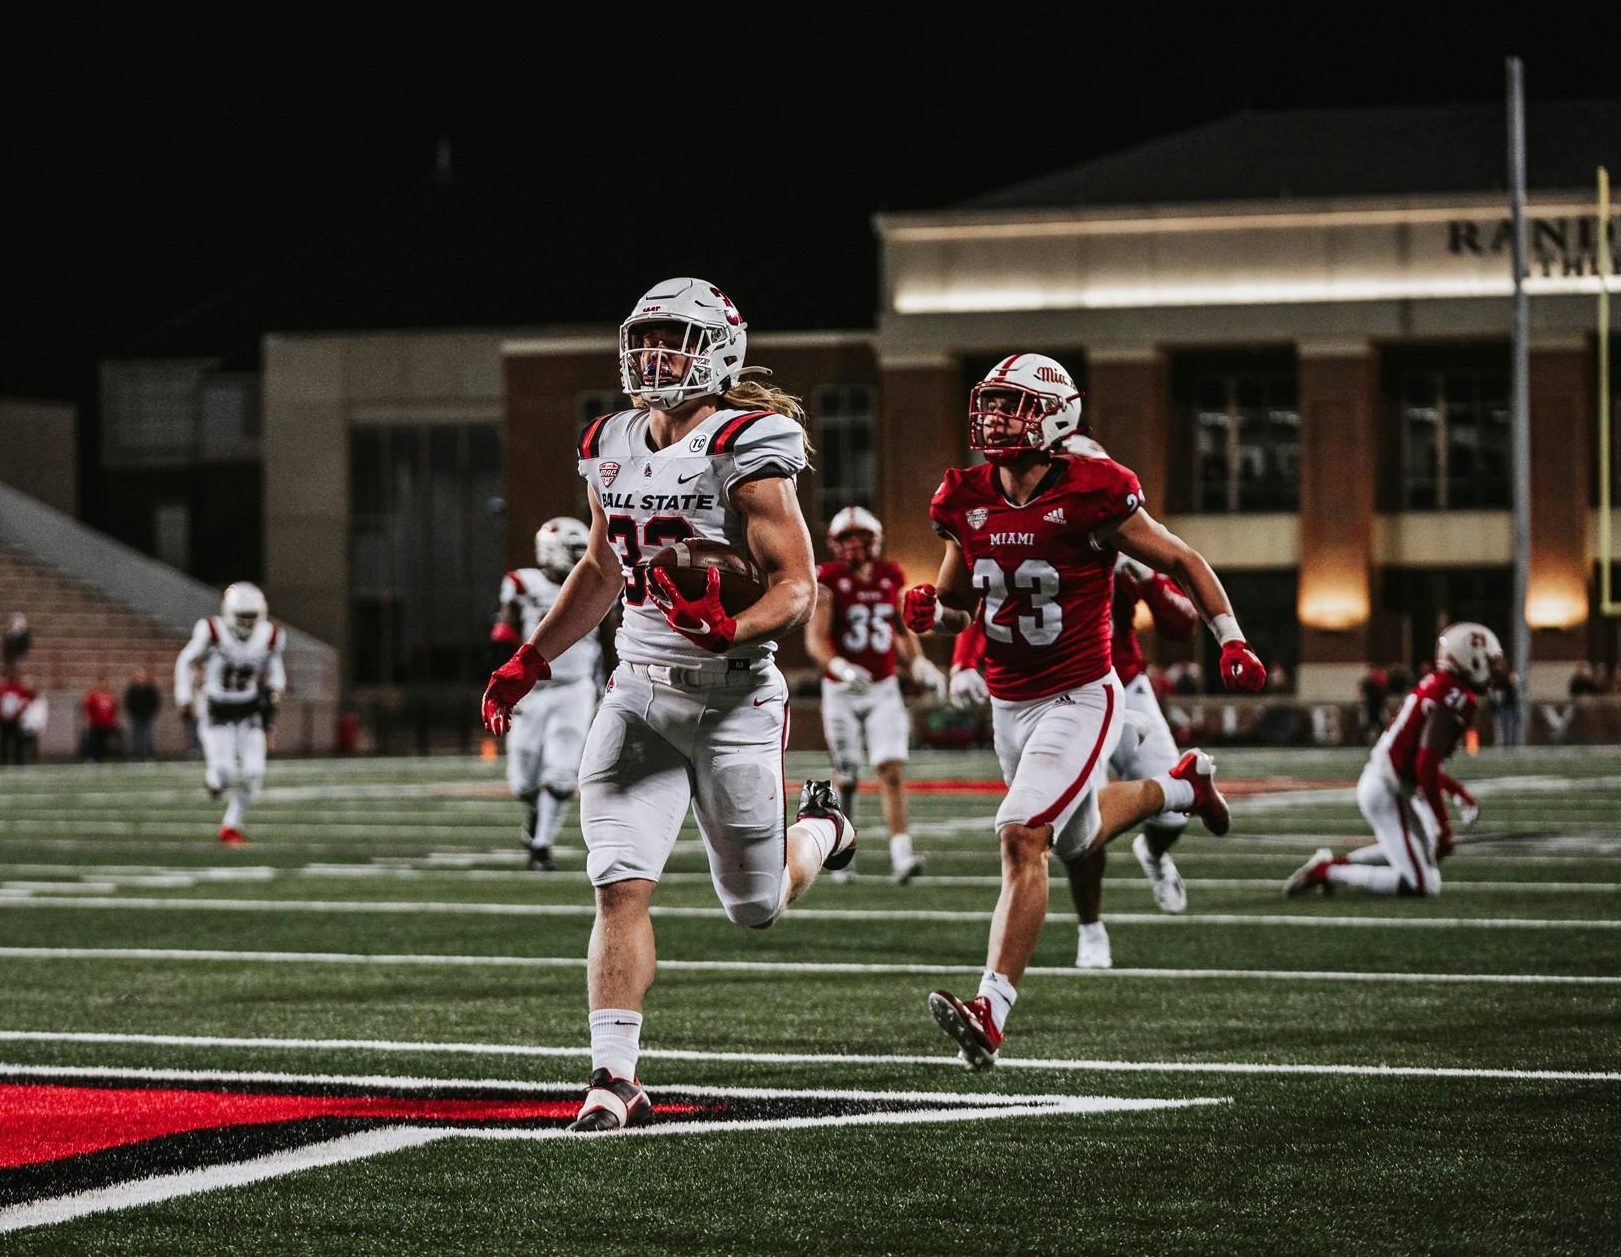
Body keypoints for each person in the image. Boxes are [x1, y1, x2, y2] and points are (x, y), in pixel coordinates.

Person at [482, 277, 855, 1132]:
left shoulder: (749, 442)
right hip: (638, 695)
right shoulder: (610, 438)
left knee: (755, 905)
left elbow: (798, 587)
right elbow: (603, 570)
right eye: (645, 338)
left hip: (734, 701)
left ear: (718, 352)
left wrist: (731, 626)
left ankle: (825, 828)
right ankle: (613, 1077)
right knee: (618, 885)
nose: (654, 357)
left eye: (675, 341)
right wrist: (530, 658)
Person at [902, 352, 1264, 1072]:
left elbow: (1184, 561)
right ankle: (1184, 787)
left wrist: (1232, 638)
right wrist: (928, 614)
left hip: (1079, 692)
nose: (996, 418)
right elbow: (957, 607)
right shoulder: (964, 495)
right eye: (993, 403)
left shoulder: (1095, 490)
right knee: (1076, 839)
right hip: (1010, 703)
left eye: (1014, 406)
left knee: (1021, 835)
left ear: (1057, 416)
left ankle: (990, 1009)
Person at [1286, 623, 1494, 899]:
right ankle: (1327, 872)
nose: (1495, 668)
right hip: (1389, 789)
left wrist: (1458, 793)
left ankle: (1336, 864)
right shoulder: (1456, 696)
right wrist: (1445, 826)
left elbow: (1416, 761)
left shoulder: (1440, 685)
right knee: (1424, 885)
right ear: (1472, 660)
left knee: (1426, 851)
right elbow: (1424, 765)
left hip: (1389, 782)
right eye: (1490, 660)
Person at [805, 505, 946, 885]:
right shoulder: (828, 579)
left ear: (874, 541)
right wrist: (840, 668)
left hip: (883, 687)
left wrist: (917, 663)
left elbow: (901, 630)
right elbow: (816, 641)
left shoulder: (889, 576)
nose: (854, 547)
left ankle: (902, 855)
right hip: (842, 690)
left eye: (860, 539)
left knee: (891, 770)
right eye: (846, 540)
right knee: (847, 775)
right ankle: (841, 855)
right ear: (835, 544)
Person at [494, 517, 604, 870]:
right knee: (522, 783)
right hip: (532, 691)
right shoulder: (523, 583)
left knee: (561, 773)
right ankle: (535, 812)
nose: (579, 556)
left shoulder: (597, 584)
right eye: (573, 550)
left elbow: (612, 639)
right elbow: (503, 633)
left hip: (576, 688)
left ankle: (541, 847)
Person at [174, 583, 286, 844]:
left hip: (249, 711)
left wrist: (275, 690)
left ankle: (230, 826)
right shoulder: (212, 631)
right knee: (223, 773)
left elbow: (276, 669)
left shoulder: (270, 636)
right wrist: (184, 697)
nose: (247, 622)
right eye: (242, 615)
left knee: (254, 773)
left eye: (251, 616)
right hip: (217, 710)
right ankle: (215, 782)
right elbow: (185, 660)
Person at [0, 669, 35, 766]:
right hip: (4, 719)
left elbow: (30, 697)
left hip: (15, 718)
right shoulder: (2, 688)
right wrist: (1, 714)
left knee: (18, 741)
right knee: (2, 741)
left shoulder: (20, 687)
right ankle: (2, 761)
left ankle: (19, 760)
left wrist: (20, 710)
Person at [123, 668, 161, 759]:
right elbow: (128, 702)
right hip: (136, 716)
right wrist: (133, 713)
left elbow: (155, 702)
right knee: (135, 736)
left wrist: (151, 712)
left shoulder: (151, 689)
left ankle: (149, 755)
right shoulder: (132, 689)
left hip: (148, 716)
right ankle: (135, 755)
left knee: (148, 736)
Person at [82, 681, 119, 762]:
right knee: (94, 740)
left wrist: (113, 719)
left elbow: (114, 708)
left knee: (103, 740)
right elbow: (88, 707)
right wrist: (88, 718)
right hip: (95, 722)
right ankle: (93, 756)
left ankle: (101, 756)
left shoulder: (109, 697)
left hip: (106, 722)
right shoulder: (93, 696)